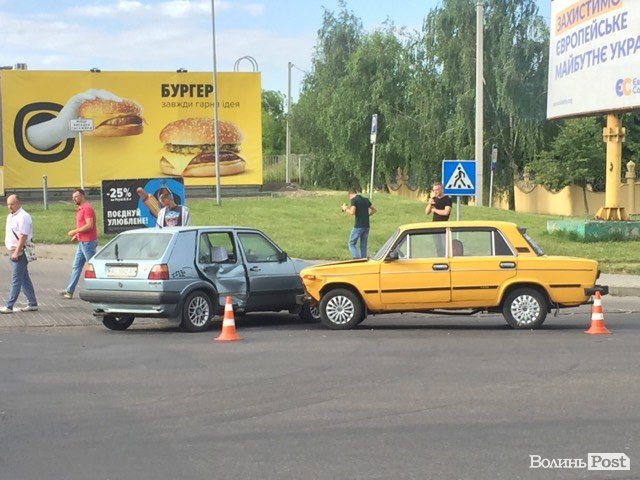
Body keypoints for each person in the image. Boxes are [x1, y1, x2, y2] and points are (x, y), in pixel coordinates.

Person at [1, 194, 38, 313]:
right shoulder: (10, 216)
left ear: (18, 203)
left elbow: (23, 236)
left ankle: (9, 306)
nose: (9, 207)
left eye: (12, 204)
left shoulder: (24, 217)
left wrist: (16, 252)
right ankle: (32, 303)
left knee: (16, 279)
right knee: (23, 278)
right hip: (12, 251)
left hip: (20, 252)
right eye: (8, 204)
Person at [60, 188, 98, 299]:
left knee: (92, 267)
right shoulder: (80, 208)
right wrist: (77, 236)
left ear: (82, 196)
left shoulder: (87, 208)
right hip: (82, 242)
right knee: (76, 266)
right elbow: (83, 225)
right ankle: (69, 291)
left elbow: (89, 225)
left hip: (88, 242)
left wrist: (75, 231)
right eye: (73, 197)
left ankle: (98, 290)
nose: (74, 199)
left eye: (76, 197)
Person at [341, 189, 377, 259]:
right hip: (366, 226)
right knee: (363, 244)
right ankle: (364, 260)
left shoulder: (354, 200)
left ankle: (357, 259)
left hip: (358, 226)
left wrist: (345, 208)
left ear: (350, 195)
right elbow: (374, 209)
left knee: (351, 243)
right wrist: (368, 215)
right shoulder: (365, 199)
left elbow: (352, 212)